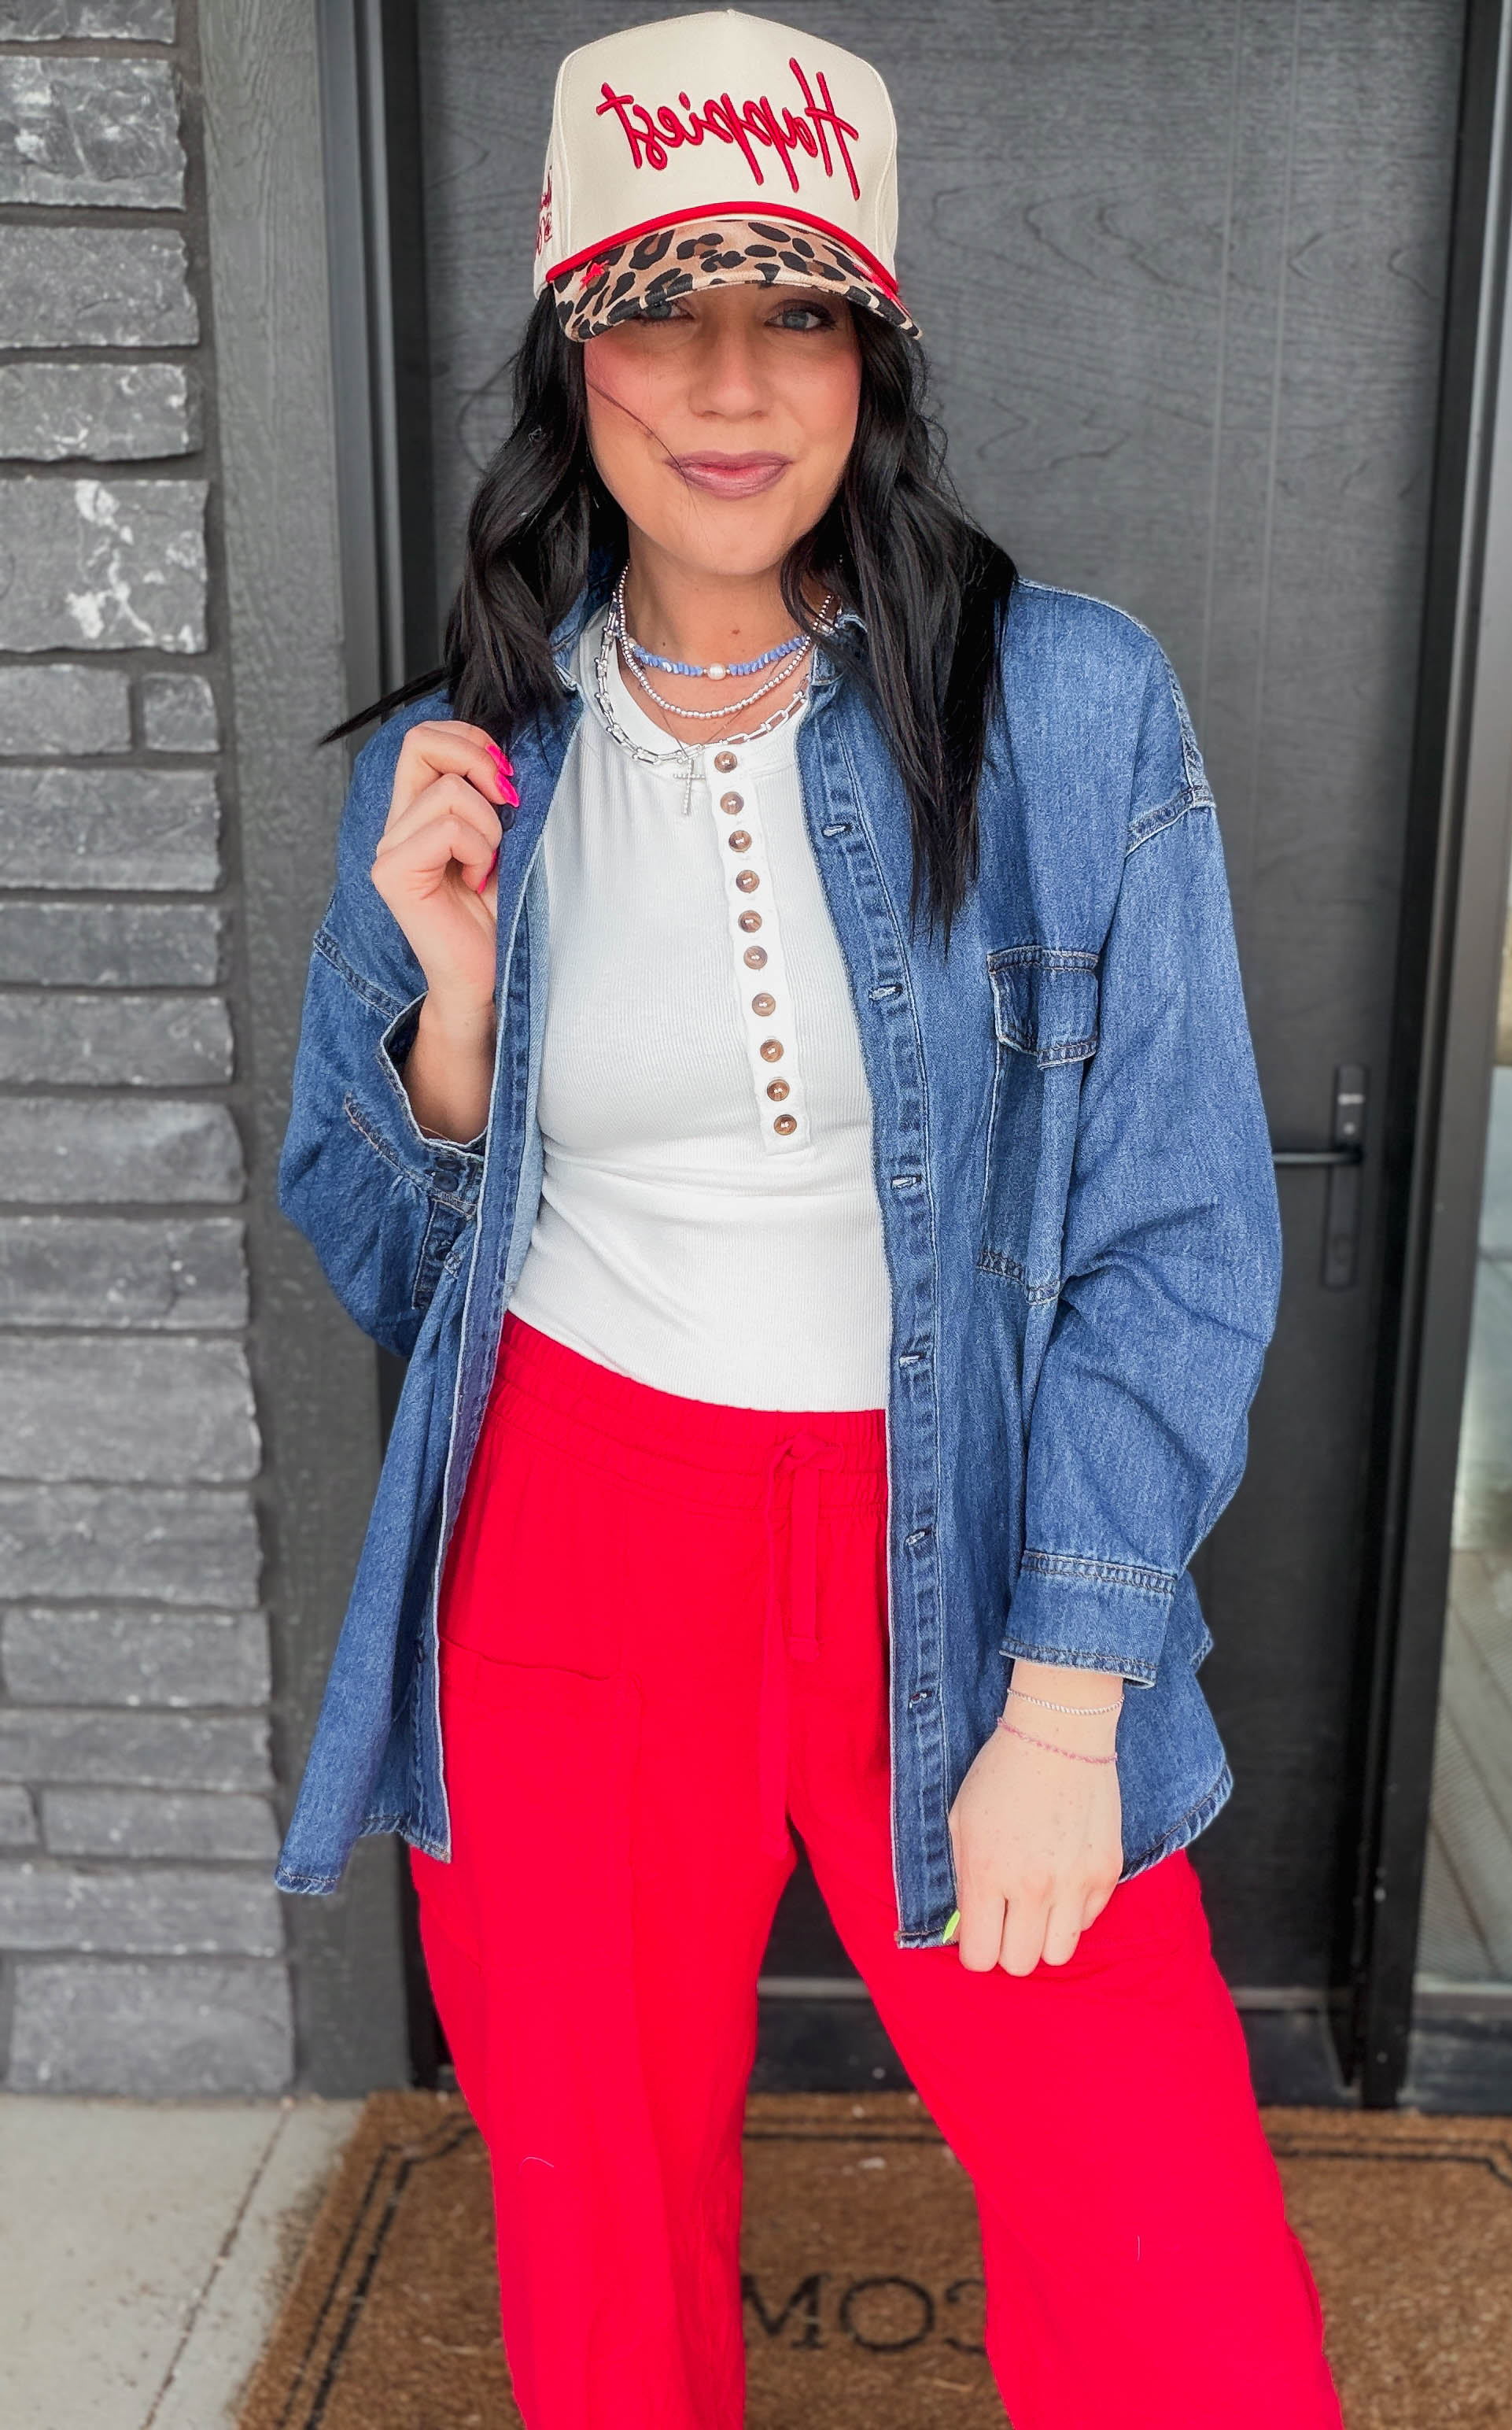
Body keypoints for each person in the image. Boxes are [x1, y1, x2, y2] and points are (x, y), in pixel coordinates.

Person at [276, 11, 1342, 2425]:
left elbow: (1178, 1230)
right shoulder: (465, 765)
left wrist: (1066, 1691)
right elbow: (382, 1263)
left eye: (797, 314)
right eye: (662, 314)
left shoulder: (1063, 707)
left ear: (878, 353)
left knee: (1166, 2278)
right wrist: (451, 1022)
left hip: (953, 1547)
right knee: (600, 2260)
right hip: (566, 1545)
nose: (731, 386)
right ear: (571, 354)